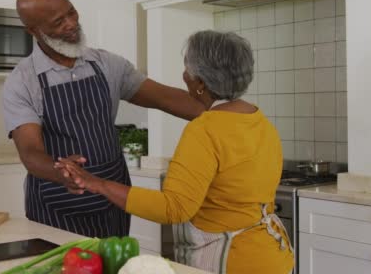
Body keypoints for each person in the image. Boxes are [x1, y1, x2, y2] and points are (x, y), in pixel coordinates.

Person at [56, 30, 295, 274]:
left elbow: (174, 208)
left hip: (231, 261)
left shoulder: (205, 128)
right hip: (273, 256)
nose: (184, 75)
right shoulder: (259, 119)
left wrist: (99, 184)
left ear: (201, 83)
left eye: (187, 70)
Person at [2, 0, 204, 238]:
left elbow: (167, 98)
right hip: (58, 204)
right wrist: (61, 172)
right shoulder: (23, 81)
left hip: (113, 200)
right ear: (34, 30)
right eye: (58, 22)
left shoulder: (107, 65)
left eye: (71, 12)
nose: (71, 23)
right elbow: (30, 152)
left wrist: (226, 112)